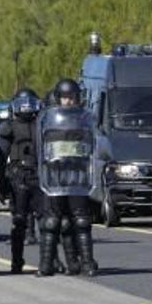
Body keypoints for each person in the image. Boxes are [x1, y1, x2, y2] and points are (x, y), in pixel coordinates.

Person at [36, 78, 98, 277]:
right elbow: (41, 149)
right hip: (54, 177)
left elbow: (93, 145)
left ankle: (87, 263)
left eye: (71, 97)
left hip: (77, 175)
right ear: (58, 98)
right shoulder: (48, 118)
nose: (68, 101)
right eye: (64, 97)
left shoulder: (85, 118)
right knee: (51, 222)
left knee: (81, 221)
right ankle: (46, 265)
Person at [0, 88, 42, 273]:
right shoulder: (9, 127)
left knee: (48, 221)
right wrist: (2, 185)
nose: (26, 107)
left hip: (40, 174)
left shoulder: (42, 125)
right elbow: (1, 158)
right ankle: (16, 261)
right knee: (19, 220)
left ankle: (49, 260)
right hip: (18, 175)